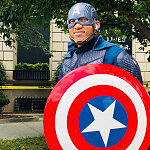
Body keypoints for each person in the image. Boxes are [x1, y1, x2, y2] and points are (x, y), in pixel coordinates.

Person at [59, 2, 143, 84]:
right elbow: (62, 95)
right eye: (72, 21)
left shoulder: (116, 55)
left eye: (83, 20)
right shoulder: (67, 62)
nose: (77, 26)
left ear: (96, 24)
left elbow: (135, 95)